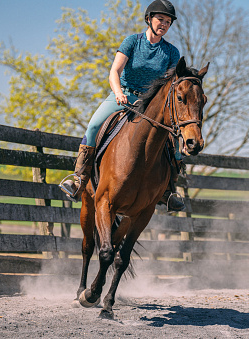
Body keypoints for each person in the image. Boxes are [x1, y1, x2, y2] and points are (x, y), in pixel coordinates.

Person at [60, 0, 185, 211]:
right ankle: (79, 180)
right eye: (160, 19)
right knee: (93, 126)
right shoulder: (132, 42)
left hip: (151, 105)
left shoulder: (172, 52)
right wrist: (118, 93)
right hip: (124, 96)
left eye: (168, 21)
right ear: (149, 19)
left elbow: (172, 85)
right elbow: (114, 72)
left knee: (175, 144)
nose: (164, 24)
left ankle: (169, 191)